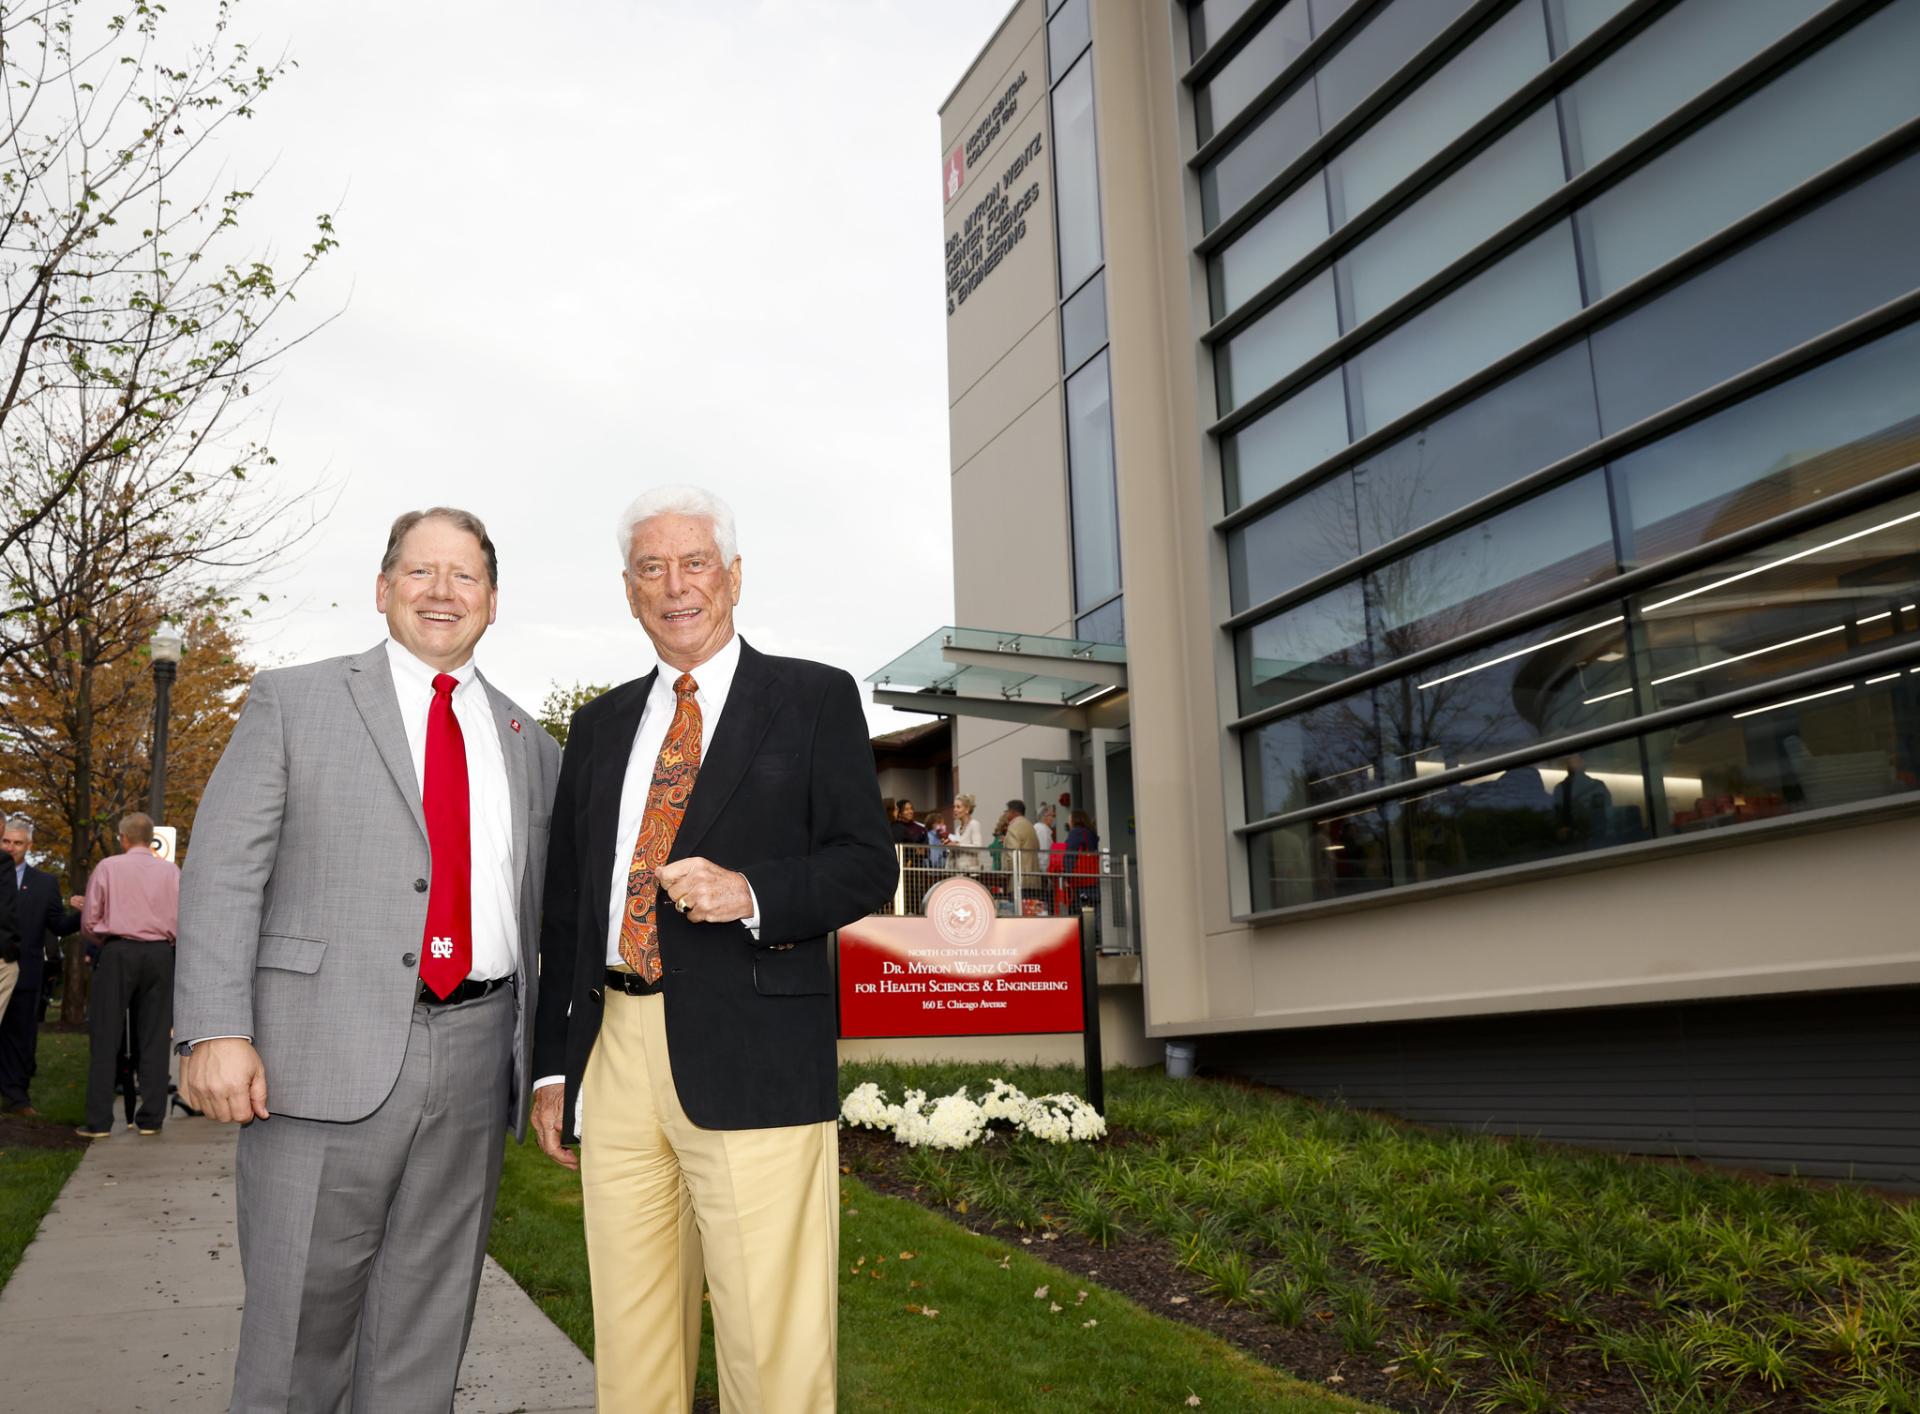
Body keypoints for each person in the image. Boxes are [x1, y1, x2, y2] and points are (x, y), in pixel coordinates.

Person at [174, 507, 560, 1412]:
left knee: (426, 1331)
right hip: (316, 1060)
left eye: (464, 577)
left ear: (492, 603)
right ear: (382, 589)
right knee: (297, 1336)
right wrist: (214, 1029)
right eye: (419, 572)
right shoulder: (293, 700)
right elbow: (224, 873)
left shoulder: (527, 743)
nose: (441, 593)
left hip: (475, 1056)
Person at [529, 484, 895, 1413]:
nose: (675, 585)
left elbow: (865, 867)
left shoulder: (811, 698)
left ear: (734, 577)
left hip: (756, 1054)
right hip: (613, 1051)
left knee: (772, 1345)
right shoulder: (603, 724)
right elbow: (568, 910)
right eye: (652, 568)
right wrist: (551, 1069)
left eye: (694, 563)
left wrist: (753, 892)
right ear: (627, 589)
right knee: (632, 1333)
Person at [75, 812, 179, 1138]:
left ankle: (99, 1121)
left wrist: (105, 939)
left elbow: (90, 920)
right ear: (151, 839)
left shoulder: (108, 867)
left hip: (118, 951)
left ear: (123, 837)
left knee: (106, 1035)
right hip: (161, 953)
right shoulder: (171, 871)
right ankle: (151, 1119)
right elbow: (181, 917)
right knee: (155, 1035)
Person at [1, 815, 80, 1116]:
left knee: (21, 1038)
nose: (11, 847)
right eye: (6, 841)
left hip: (26, 972)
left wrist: (86, 913)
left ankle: (17, 1098)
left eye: (18, 843)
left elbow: (58, 925)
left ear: (29, 846)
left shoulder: (44, 883)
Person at [948, 793, 987, 870]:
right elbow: (958, 849)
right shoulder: (958, 828)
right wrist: (950, 845)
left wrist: (958, 845)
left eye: (958, 807)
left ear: (967, 809)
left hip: (972, 872)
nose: (954, 809)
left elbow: (978, 847)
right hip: (958, 871)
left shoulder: (974, 824)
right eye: (954, 807)